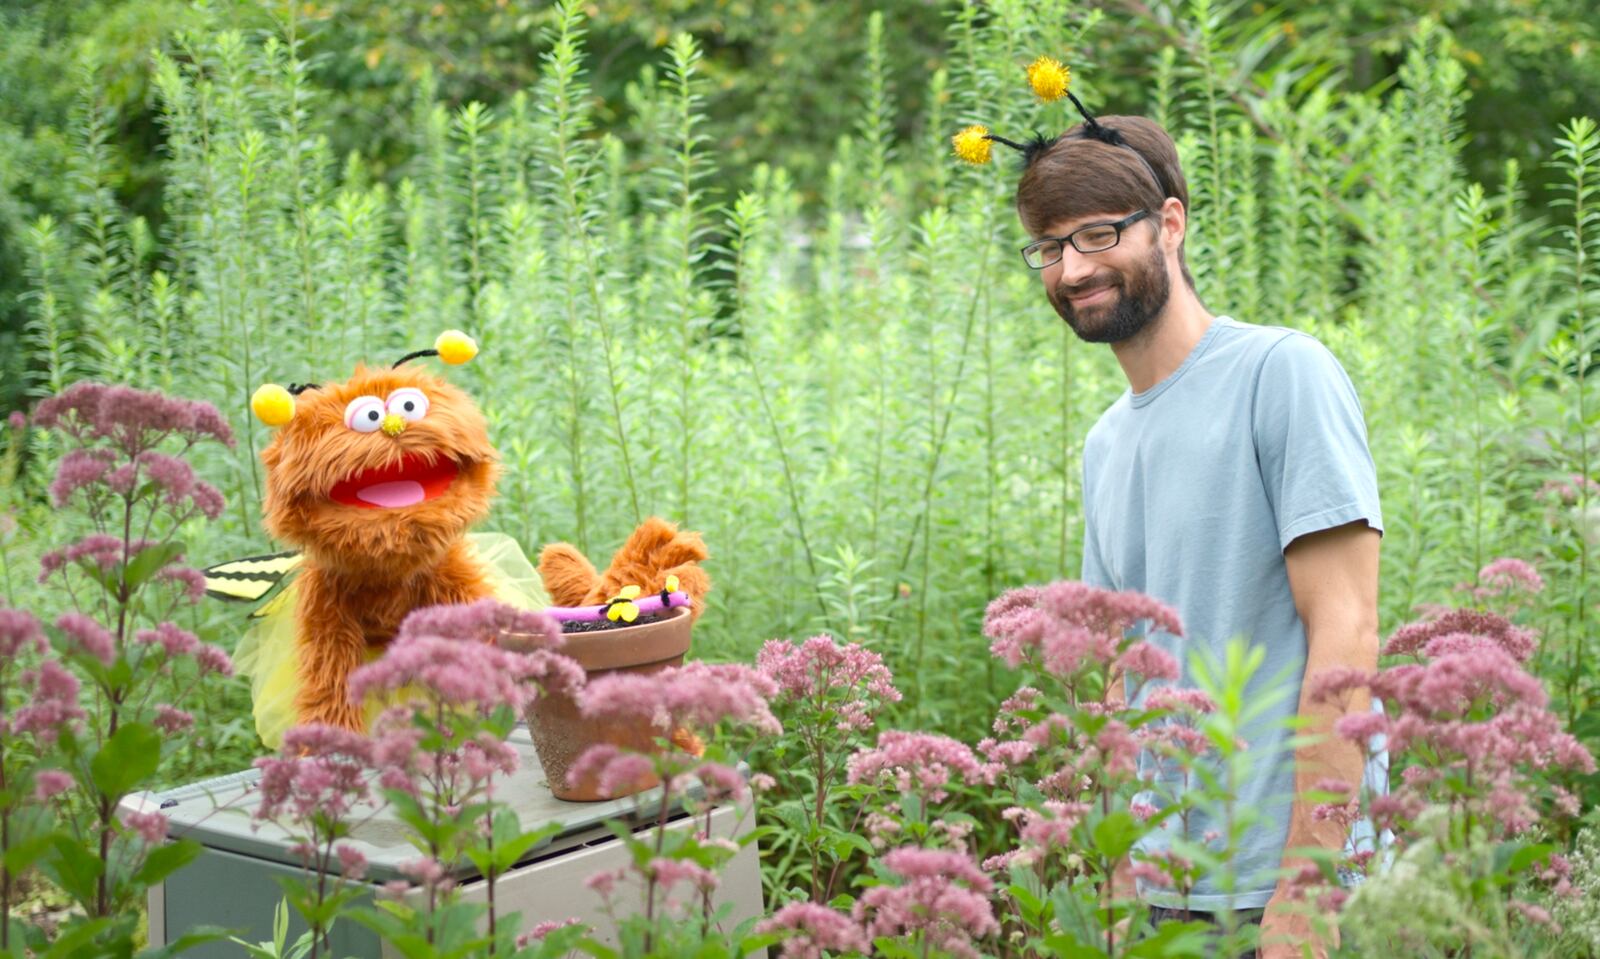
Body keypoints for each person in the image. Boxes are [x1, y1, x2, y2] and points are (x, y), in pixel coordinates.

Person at [1008, 112, 1386, 958]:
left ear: (1169, 224)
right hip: (1164, 891)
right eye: (1049, 247)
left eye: (1099, 234)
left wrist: (1308, 892)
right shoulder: (1106, 444)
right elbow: (1116, 683)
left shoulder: (1280, 373)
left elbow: (1346, 629)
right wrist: (1112, 886)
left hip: (1284, 884)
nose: (1073, 268)